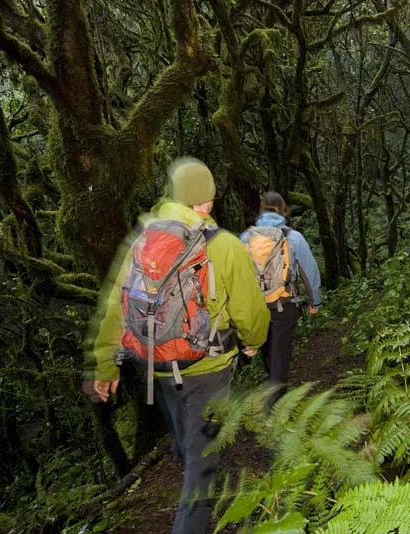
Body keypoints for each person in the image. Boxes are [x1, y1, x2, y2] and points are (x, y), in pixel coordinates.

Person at [83, 157, 270, 534]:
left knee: (187, 441)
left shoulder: (142, 238)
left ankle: (193, 466)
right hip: (208, 367)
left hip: (156, 365)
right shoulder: (224, 245)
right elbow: (251, 312)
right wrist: (253, 343)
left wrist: (105, 366)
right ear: (209, 200)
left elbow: (113, 306)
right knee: (202, 467)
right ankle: (196, 507)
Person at [241, 192, 321, 408]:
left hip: (256, 306)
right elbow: (309, 271)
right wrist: (315, 302)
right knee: (281, 352)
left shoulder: (246, 238)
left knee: (268, 350)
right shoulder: (293, 237)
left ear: (261, 210)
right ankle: (276, 403)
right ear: (283, 210)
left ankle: (274, 389)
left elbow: (238, 277)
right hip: (285, 304)